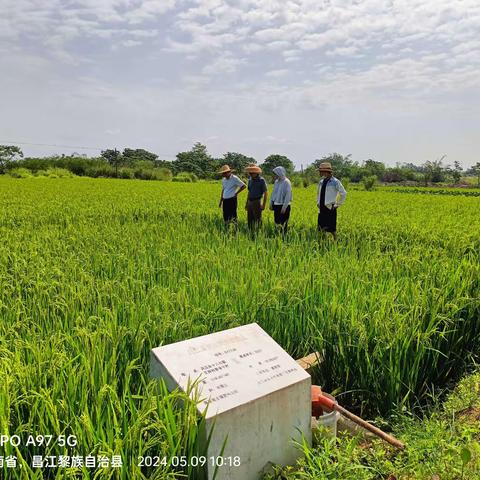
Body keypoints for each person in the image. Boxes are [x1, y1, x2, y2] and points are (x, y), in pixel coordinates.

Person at [317, 162, 347, 241]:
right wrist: (318, 203)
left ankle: (335, 241)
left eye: (321, 171)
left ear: (326, 171)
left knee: (332, 228)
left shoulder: (335, 182)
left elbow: (343, 193)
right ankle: (323, 241)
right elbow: (318, 193)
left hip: (330, 207)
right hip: (322, 207)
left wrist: (338, 204)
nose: (320, 173)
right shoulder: (321, 182)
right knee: (321, 227)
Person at [270, 166, 292, 236]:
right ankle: (277, 236)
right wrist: (271, 203)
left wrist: (284, 207)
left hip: (284, 206)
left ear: (280, 173)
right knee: (277, 222)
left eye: (276, 174)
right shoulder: (276, 182)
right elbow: (274, 193)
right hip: (276, 205)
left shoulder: (286, 182)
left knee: (283, 223)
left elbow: (288, 195)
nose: (275, 175)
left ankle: (284, 237)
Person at [245, 164, 268, 231]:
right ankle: (250, 232)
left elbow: (266, 193)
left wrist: (263, 205)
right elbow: (249, 192)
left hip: (257, 201)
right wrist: (246, 203)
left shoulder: (261, 180)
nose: (251, 174)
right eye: (250, 173)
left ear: (257, 172)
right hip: (250, 201)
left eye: (252, 172)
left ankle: (259, 233)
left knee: (258, 219)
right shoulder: (250, 180)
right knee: (250, 219)